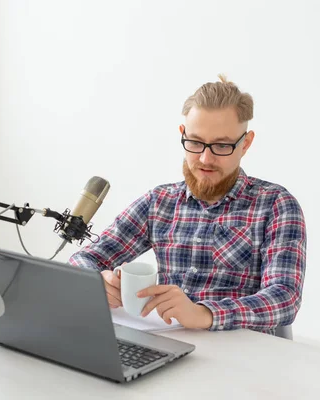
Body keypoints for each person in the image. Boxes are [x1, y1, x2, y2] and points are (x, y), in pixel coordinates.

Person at [68, 75, 306, 334]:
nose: (205, 158)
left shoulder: (276, 206)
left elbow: (284, 298)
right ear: (183, 134)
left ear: (245, 144)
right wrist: (97, 281)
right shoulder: (159, 203)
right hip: (171, 349)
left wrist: (204, 314)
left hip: (242, 360)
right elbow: (84, 258)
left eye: (222, 145)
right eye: (195, 142)